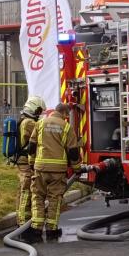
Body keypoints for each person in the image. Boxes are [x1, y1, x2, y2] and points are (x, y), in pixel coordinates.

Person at [26, 103, 79, 242]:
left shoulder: (40, 123)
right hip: (57, 171)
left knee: (37, 196)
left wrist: (32, 163)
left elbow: (31, 146)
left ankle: (36, 227)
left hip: (40, 168)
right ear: (65, 114)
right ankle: (51, 229)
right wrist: (78, 168)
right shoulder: (66, 127)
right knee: (54, 199)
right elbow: (73, 152)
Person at [15, 96, 45, 226]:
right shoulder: (29, 123)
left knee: (23, 190)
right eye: (38, 111)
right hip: (25, 161)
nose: (39, 114)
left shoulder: (24, 120)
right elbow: (40, 137)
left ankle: (21, 219)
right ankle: (23, 223)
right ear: (33, 108)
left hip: (22, 161)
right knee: (26, 190)